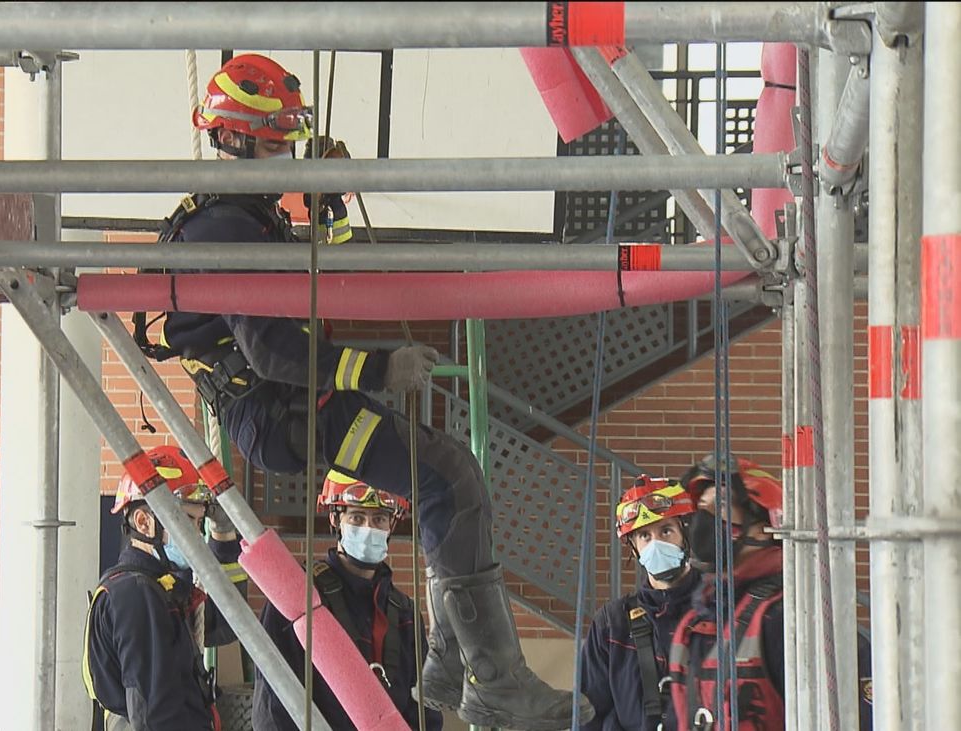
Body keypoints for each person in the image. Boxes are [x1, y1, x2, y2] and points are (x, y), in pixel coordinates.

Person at [149, 51, 588, 731]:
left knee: (452, 475)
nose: (285, 153)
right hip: (279, 409)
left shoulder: (247, 215)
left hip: (287, 406)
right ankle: (491, 681)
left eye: (288, 140)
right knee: (447, 476)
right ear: (232, 138)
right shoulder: (226, 227)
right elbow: (272, 350)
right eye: (275, 142)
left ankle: (455, 663)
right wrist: (380, 369)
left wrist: (329, 204)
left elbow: (329, 268)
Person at [665, 454, 873, 731]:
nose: (705, 520)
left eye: (721, 507)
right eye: (702, 507)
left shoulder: (795, 620)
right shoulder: (692, 625)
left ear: (766, 525)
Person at [251, 471, 444, 730]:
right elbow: (274, 704)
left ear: (391, 525)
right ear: (335, 518)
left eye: (379, 519)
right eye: (356, 517)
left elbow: (423, 707)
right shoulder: (299, 597)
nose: (368, 528)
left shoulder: (404, 612)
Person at [82, 445, 248, 731]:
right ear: (144, 522)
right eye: (186, 520)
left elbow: (226, 622)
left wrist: (223, 536)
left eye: (199, 522)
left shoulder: (162, 589)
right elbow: (154, 716)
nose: (197, 534)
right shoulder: (136, 595)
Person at [580, 475, 703, 730]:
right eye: (645, 536)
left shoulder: (719, 608)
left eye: (666, 531)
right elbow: (590, 714)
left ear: (685, 534)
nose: (656, 543)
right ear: (634, 548)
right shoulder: (612, 624)